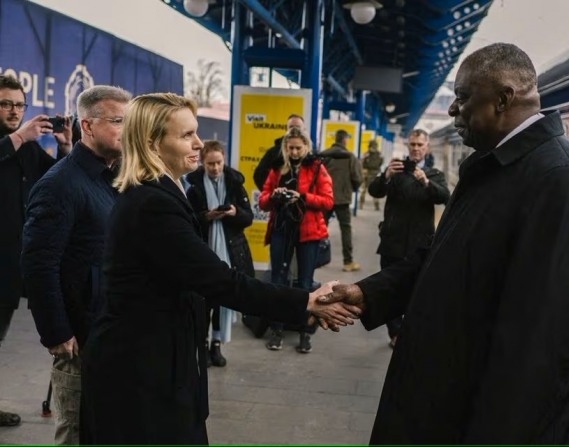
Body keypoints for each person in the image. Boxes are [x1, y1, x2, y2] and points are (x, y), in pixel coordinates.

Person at [320, 43, 569, 443]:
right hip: (438, 394)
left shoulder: (564, 180)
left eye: (462, 98)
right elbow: (442, 256)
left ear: (503, 99)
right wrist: (367, 292)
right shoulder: (494, 165)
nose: (453, 110)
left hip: (468, 414)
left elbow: (542, 340)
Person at [80, 93, 356, 445]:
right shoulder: (152, 203)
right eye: (186, 136)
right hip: (140, 376)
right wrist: (306, 302)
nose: (198, 144)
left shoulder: (161, 192)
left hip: (156, 365)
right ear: (152, 143)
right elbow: (221, 281)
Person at [21, 85, 131, 444]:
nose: (127, 131)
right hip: (79, 337)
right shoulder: (61, 184)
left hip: (107, 330)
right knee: (77, 430)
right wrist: (56, 332)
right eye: (117, 121)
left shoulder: (110, 177)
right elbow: (39, 264)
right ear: (87, 125)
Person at [0, 74, 73, 428]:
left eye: (19, 104)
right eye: (6, 104)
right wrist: (17, 137)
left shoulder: (28, 148)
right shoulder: (17, 141)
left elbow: (56, 176)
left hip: (12, 261)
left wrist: (64, 147)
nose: (14, 111)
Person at [367, 128, 449, 349]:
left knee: (417, 290)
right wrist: (385, 176)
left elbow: (445, 197)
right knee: (388, 289)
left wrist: (426, 183)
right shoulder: (396, 170)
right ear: (408, 146)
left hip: (420, 244)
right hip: (392, 241)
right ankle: (395, 332)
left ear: (427, 147)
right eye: (412, 144)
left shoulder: (433, 174)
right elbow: (374, 191)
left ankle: (410, 329)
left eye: (420, 145)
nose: (415, 149)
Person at [259, 126, 334, 353]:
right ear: (285, 147)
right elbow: (262, 200)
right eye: (290, 148)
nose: (293, 152)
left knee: (304, 282)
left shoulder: (317, 168)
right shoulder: (277, 169)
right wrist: (272, 196)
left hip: (308, 232)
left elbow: (328, 201)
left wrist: (301, 196)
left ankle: (304, 332)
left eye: (298, 148)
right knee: (278, 281)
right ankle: (277, 330)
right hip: (282, 229)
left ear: (306, 147)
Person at [186, 139, 255, 368]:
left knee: (222, 302)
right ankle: (203, 345)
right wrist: (207, 216)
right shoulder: (193, 186)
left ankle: (217, 344)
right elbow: (188, 219)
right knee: (204, 302)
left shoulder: (235, 182)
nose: (215, 168)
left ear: (224, 160)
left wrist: (234, 212)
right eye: (210, 164)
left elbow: (248, 218)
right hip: (205, 250)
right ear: (203, 163)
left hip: (230, 251)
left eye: (218, 163)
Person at [320, 129, 363, 272]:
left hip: (325, 197)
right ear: (344, 140)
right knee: (345, 229)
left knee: (321, 228)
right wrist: (352, 188)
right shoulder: (350, 156)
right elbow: (357, 178)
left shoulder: (324, 154)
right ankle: (348, 262)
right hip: (343, 199)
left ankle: (317, 257)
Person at [253, 113, 305, 191]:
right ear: (286, 129)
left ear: (304, 129)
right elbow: (259, 175)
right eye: (291, 127)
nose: (294, 130)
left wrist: (305, 197)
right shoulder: (273, 153)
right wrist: (271, 194)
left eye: (297, 127)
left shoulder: (310, 155)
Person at [359, 139, 384, 210]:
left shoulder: (366, 154)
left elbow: (362, 162)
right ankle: (376, 206)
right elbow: (381, 162)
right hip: (375, 173)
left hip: (367, 173)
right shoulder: (379, 154)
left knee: (363, 190)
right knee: (375, 190)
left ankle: (361, 204)